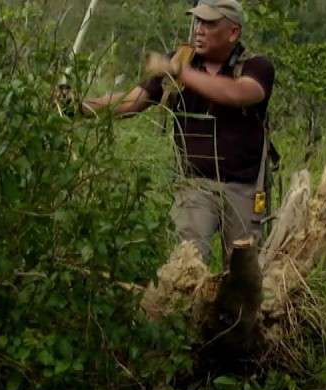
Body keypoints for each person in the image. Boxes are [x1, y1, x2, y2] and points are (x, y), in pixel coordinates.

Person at [69, 0, 275, 266]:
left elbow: (236, 94)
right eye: (198, 21)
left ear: (233, 33)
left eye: (209, 23)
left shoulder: (257, 67)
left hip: (245, 188)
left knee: (243, 274)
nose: (199, 29)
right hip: (194, 185)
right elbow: (133, 101)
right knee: (186, 265)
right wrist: (78, 107)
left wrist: (179, 72)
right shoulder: (181, 60)